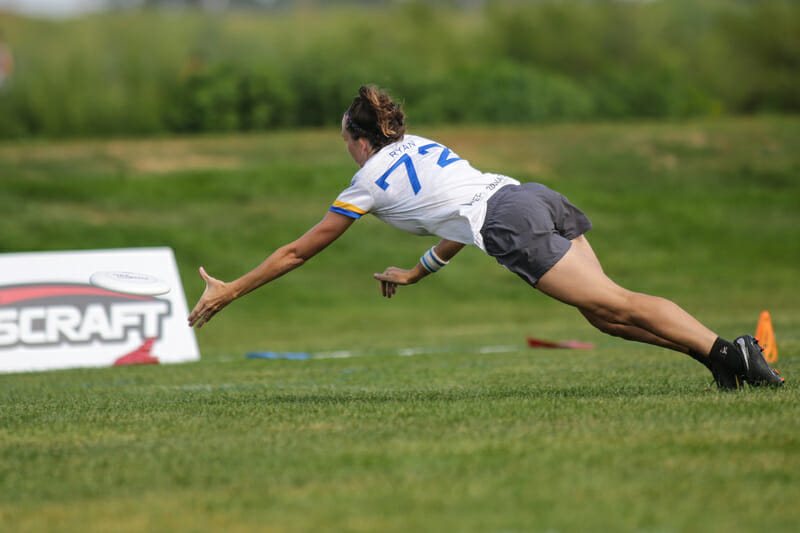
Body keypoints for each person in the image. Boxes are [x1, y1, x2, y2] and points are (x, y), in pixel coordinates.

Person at [188, 85, 784, 390]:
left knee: (615, 302)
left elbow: (300, 249)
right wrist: (418, 270)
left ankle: (735, 351)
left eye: (344, 137)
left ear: (358, 139)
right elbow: (460, 215)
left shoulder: (365, 182)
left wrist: (231, 290)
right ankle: (719, 361)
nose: (344, 145)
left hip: (510, 222)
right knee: (602, 314)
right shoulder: (421, 145)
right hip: (529, 196)